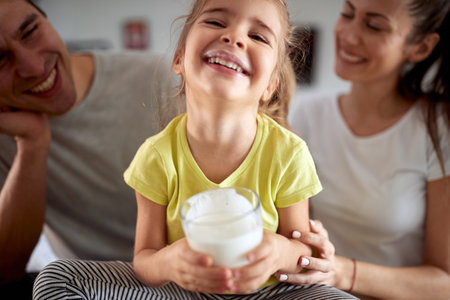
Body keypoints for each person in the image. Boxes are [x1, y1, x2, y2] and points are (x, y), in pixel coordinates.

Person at [32, 0, 358, 299]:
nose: (234, 37)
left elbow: (301, 249)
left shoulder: (289, 153)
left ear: (270, 85)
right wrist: (170, 262)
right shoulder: (155, 155)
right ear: (178, 59)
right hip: (181, 292)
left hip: (269, 293)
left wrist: (277, 251)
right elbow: (144, 262)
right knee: (56, 277)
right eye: (216, 22)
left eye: (258, 36)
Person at [0, 0, 178, 298]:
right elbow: (7, 270)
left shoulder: (160, 79)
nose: (32, 66)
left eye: (30, 31)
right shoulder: (7, 132)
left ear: (48, 22)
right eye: (0, 59)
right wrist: (32, 144)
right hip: (94, 287)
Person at [282, 0, 450, 299]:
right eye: (347, 13)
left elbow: (444, 281)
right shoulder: (305, 115)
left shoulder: (438, 129)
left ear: (422, 47)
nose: (348, 34)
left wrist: (340, 271)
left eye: (374, 26)